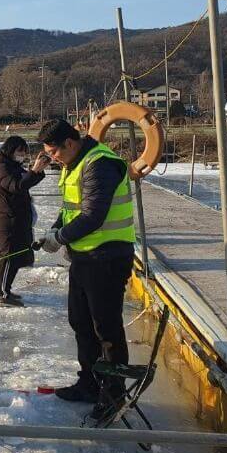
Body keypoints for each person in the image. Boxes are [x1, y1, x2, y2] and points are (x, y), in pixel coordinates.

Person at [36, 120, 136, 419]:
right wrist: (56, 228)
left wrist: (61, 238)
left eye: (54, 151)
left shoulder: (100, 163)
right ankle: (89, 382)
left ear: (70, 142)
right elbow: (71, 207)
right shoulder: (74, 162)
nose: (52, 157)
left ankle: (113, 392)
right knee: (80, 321)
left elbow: (93, 215)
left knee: (105, 328)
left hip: (107, 257)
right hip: (84, 257)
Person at [0, 136, 49, 307]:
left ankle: (7, 289)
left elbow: (25, 183)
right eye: (20, 151)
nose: (22, 155)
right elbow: (16, 186)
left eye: (24, 152)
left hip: (17, 217)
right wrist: (34, 171)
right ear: (11, 150)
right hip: (7, 219)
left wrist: (38, 170)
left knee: (16, 255)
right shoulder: (1, 168)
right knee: (8, 255)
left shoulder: (12, 166)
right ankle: (3, 294)